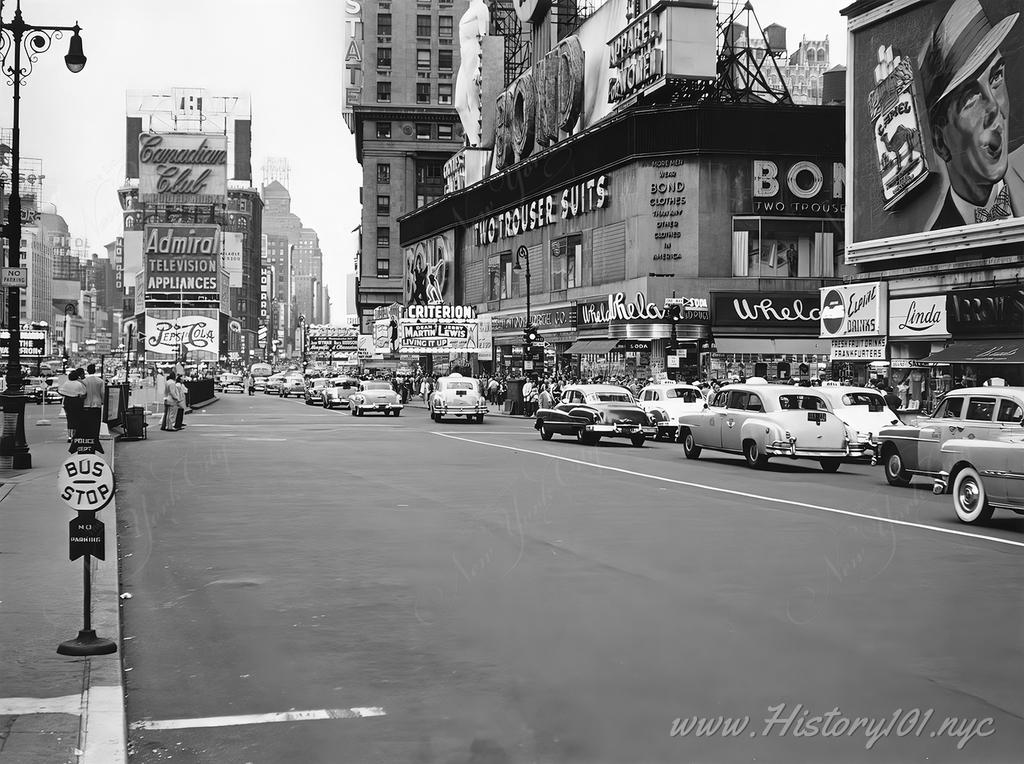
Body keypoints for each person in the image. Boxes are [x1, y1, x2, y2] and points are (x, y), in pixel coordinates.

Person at [921, 0, 1024, 229]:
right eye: (970, 98)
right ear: (940, 141)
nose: (994, 108)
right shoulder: (937, 235)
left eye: (996, 77)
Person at [454, 0, 490, 147]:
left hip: (474, 55)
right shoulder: (469, 10)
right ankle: (474, 141)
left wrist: (479, 66)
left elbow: (485, 37)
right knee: (460, 105)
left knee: (473, 102)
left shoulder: (481, 8)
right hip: (465, 58)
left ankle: (477, 143)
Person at [58, 369, 86, 443]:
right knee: (77, 419)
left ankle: (70, 436)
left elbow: (61, 392)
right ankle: (76, 434)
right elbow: (84, 393)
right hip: (77, 402)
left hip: (68, 402)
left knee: (70, 419)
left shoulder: (66, 383)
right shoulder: (79, 384)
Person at [81, 363, 105, 438]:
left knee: (87, 422)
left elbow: (82, 393)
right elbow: (103, 392)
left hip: (86, 404)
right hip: (97, 404)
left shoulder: (84, 381)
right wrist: (102, 401)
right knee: (96, 422)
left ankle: (89, 436)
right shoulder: (100, 381)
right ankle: (95, 436)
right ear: (94, 371)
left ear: (87, 371)